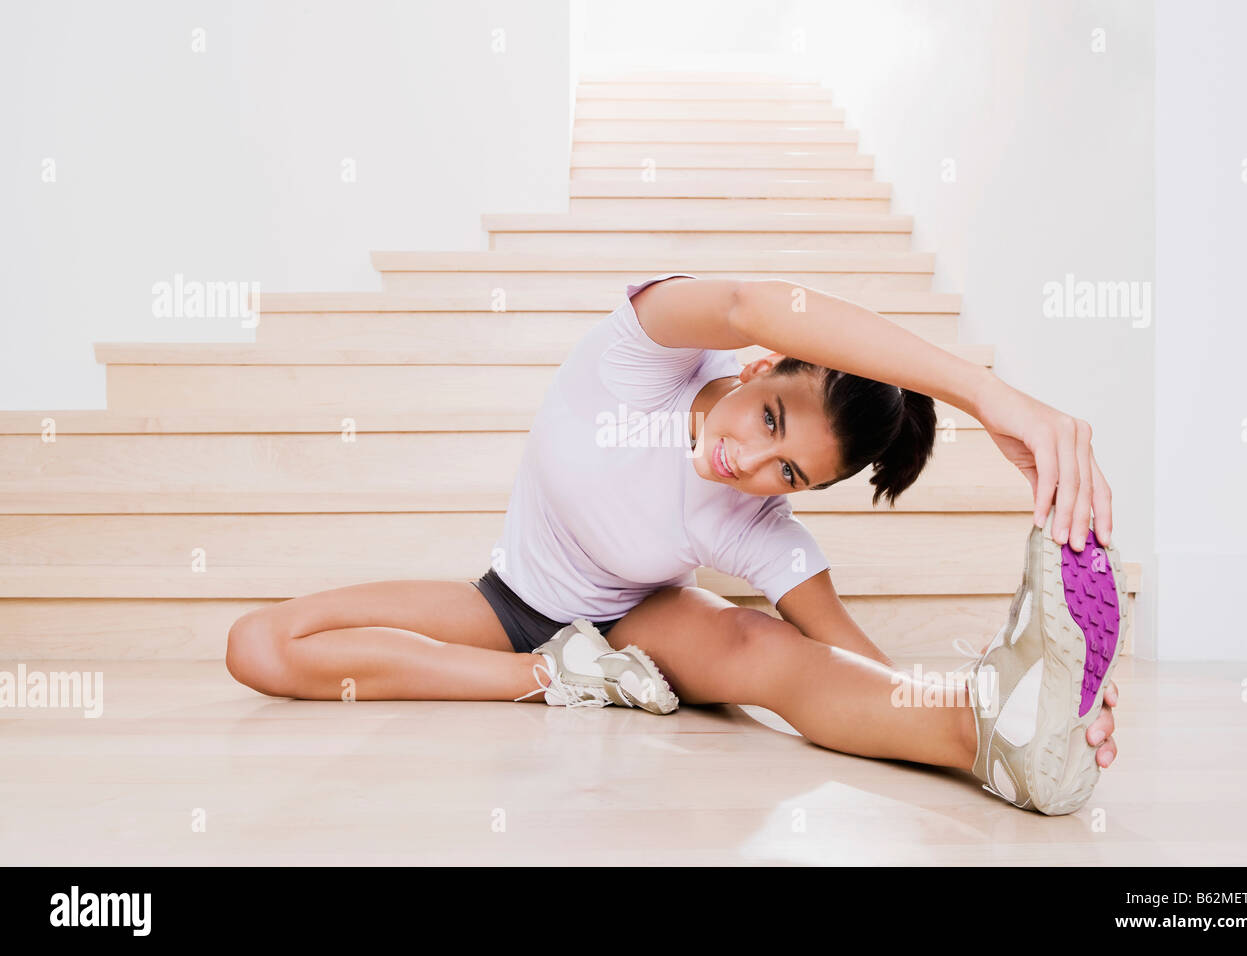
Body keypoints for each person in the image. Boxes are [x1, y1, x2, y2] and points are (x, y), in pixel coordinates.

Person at [226, 274, 1123, 814]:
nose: (751, 463)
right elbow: (746, 298)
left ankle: (997, 733)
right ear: (760, 363)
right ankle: (560, 681)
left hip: (635, 626)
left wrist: (984, 700)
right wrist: (988, 395)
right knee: (260, 645)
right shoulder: (643, 358)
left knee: (759, 648)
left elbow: (844, 653)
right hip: (507, 604)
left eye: (788, 475)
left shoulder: (754, 521)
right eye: (772, 418)